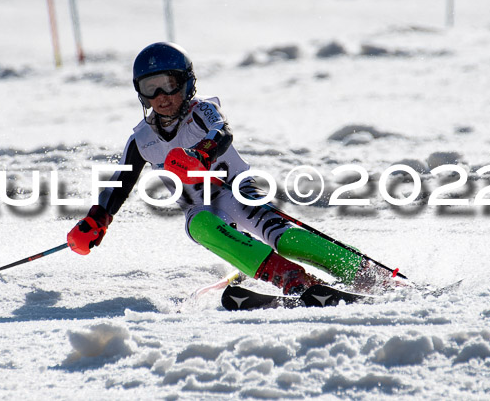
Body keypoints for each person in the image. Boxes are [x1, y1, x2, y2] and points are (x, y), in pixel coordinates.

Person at [66, 42, 392, 295]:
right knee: (200, 227)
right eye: (151, 88)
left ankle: (363, 272)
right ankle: (290, 278)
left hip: (237, 190)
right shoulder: (142, 139)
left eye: (169, 84)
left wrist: (201, 154)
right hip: (199, 205)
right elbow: (121, 183)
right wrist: (97, 219)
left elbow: (221, 133)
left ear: (187, 84)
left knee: (286, 239)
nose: (162, 96)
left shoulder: (202, 111)